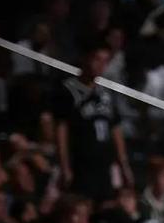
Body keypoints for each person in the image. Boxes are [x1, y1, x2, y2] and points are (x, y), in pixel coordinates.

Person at [55, 44, 133, 204]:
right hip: (81, 163)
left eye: (105, 61)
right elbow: (62, 129)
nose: (101, 65)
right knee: (81, 205)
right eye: (97, 59)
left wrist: (124, 165)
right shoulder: (68, 90)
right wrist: (64, 166)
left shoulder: (106, 93)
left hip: (104, 165)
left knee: (106, 206)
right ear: (86, 59)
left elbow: (116, 129)